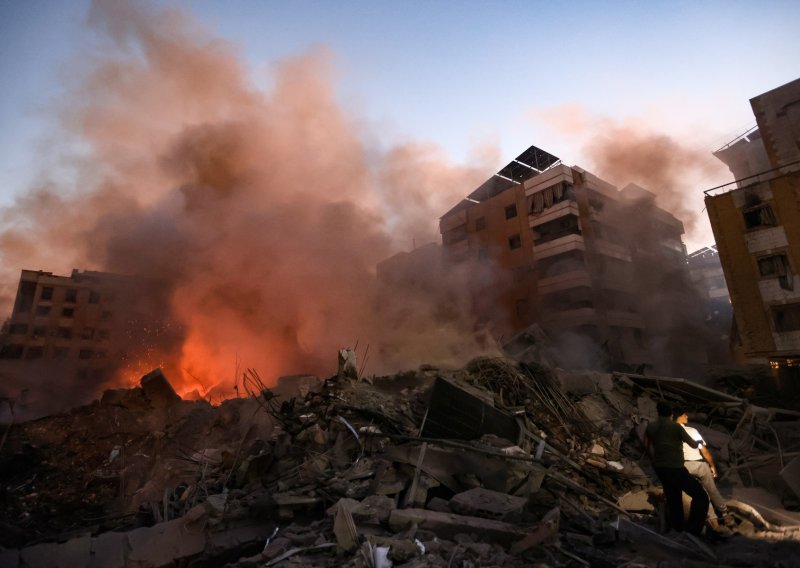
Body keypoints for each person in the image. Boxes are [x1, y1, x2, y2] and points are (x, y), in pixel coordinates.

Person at [643, 400, 710, 536]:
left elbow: (646, 444)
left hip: (661, 469)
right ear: (671, 414)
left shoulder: (651, 427)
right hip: (676, 468)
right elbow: (692, 444)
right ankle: (693, 530)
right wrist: (698, 442)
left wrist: (653, 459)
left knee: (674, 498)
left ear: (658, 412)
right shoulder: (676, 427)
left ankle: (677, 529)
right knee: (701, 496)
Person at [674, 407, 734, 529]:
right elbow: (704, 451)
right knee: (712, 490)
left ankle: (714, 521)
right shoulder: (692, 430)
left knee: (701, 493)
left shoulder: (670, 433)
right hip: (700, 465)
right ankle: (726, 515)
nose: (687, 416)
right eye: (684, 415)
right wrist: (712, 466)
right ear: (679, 416)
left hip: (684, 466)